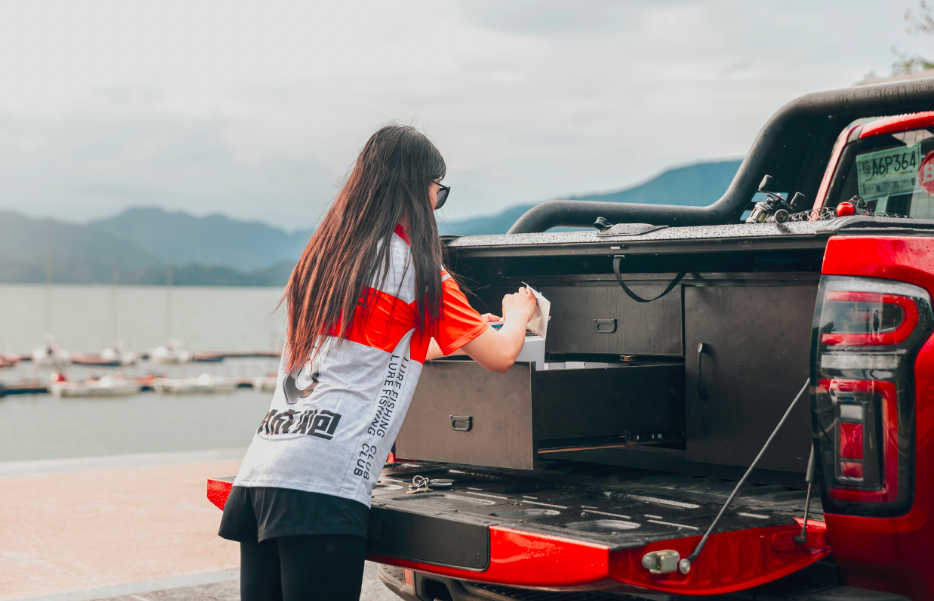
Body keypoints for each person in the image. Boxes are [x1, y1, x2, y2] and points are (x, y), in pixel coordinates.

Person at [218, 124, 538, 601]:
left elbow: (371, 353)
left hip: (262, 472)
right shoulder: (417, 268)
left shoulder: (324, 259)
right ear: (418, 187)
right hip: (325, 483)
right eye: (439, 189)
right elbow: (501, 357)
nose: (437, 201)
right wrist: (517, 316)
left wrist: (463, 336)